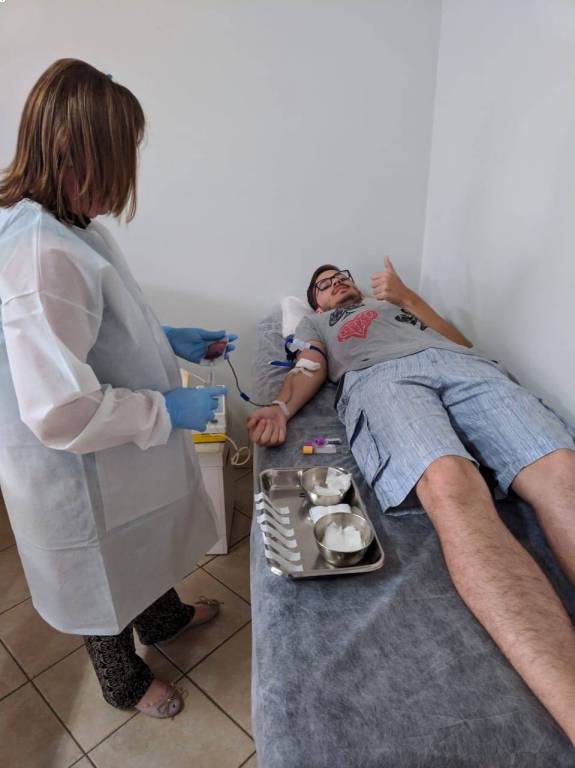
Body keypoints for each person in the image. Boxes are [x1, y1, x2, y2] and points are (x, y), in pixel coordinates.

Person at [247, 261, 575, 744]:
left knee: (561, 472)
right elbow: (309, 365)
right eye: (324, 285)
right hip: (379, 378)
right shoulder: (317, 324)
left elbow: (461, 342)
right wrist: (280, 407)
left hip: (465, 366)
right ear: (316, 303)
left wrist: (405, 297)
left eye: (341, 276)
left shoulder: (394, 305)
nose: (337, 284)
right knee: (451, 485)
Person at [0, 59, 236, 719]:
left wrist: (166, 338)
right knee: (101, 574)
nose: (123, 179)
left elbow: (96, 328)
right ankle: (123, 682)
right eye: (116, 160)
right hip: (72, 464)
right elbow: (60, 409)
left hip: (112, 442)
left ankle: (161, 619)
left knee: (143, 541)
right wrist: (167, 408)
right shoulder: (40, 251)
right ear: (74, 156)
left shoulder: (69, 225)